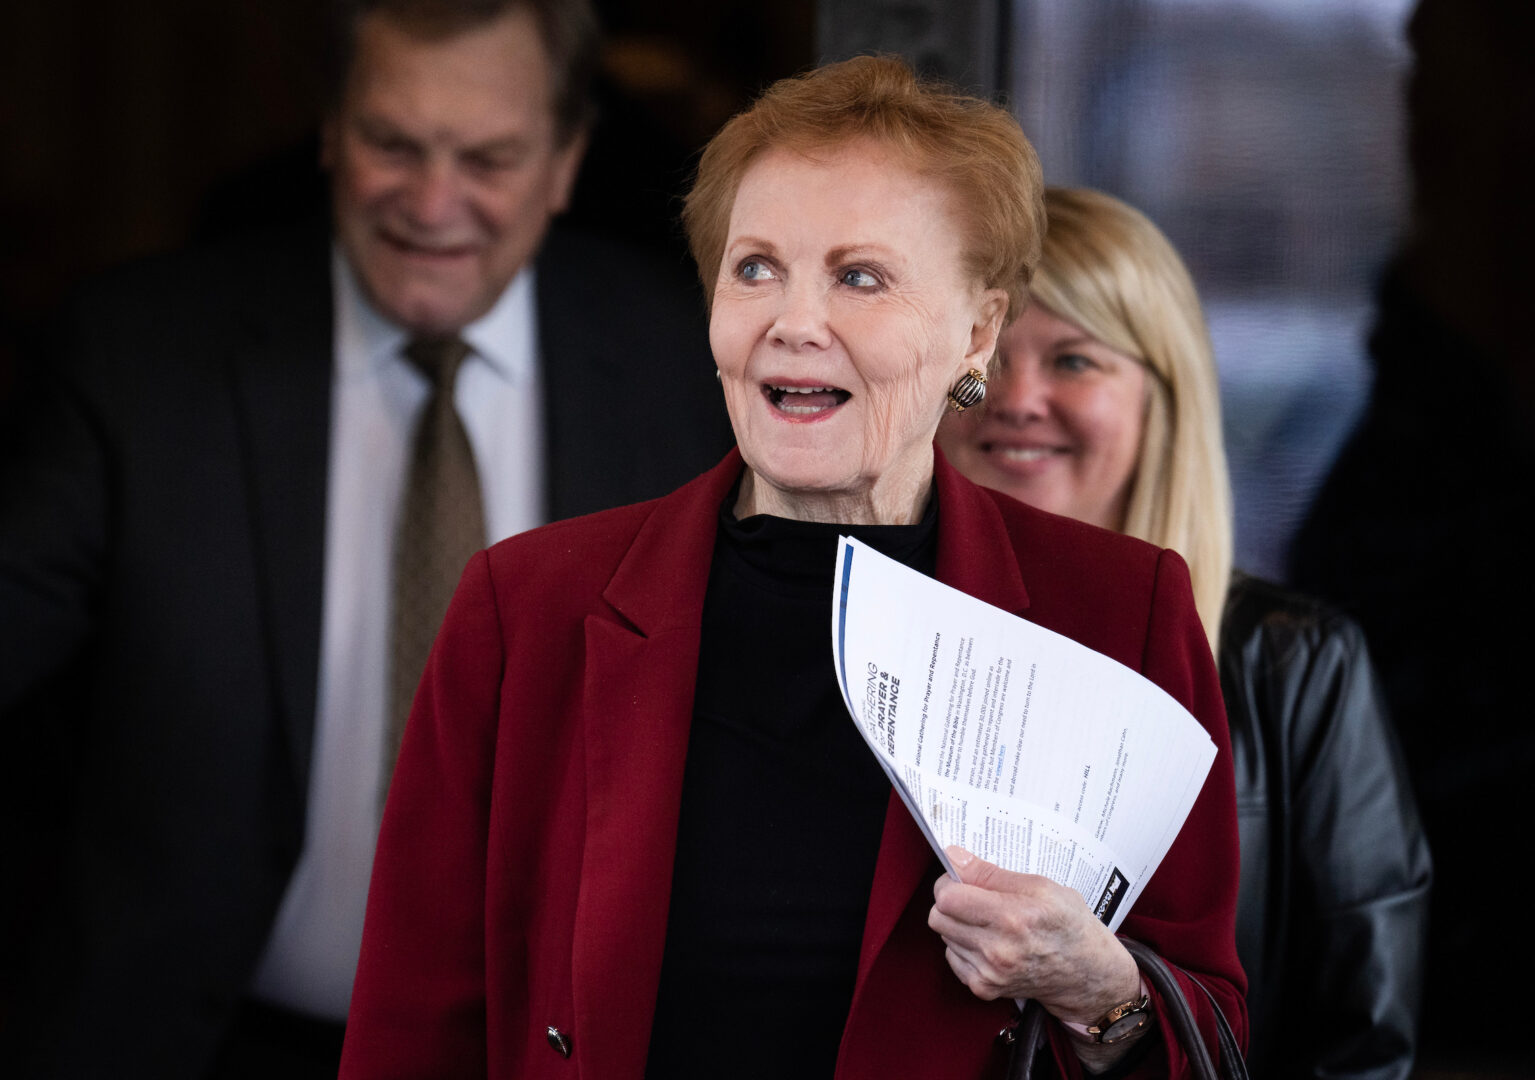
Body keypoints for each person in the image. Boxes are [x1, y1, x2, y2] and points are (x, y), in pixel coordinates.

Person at [339, 56, 1245, 1080]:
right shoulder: (528, 605)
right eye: (755, 267)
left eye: (859, 277)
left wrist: (1098, 990)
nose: (793, 321)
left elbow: (1209, 1029)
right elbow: (410, 1028)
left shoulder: (1120, 610)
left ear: (979, 329)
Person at [0, 0, 732, 1076]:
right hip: (206, 1044)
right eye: (394, 144)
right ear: (332, 131)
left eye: (489, 157)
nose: (434, 204)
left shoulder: (693, 374)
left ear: (567, 161)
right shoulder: (139, 362)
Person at [937, 186, 1432, 1079]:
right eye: (992, 357)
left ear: (1161, 399)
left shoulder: (1293, 664)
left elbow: (1359, 1046)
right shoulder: (884, 652)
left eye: (1075, 362)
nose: (1017, 397)